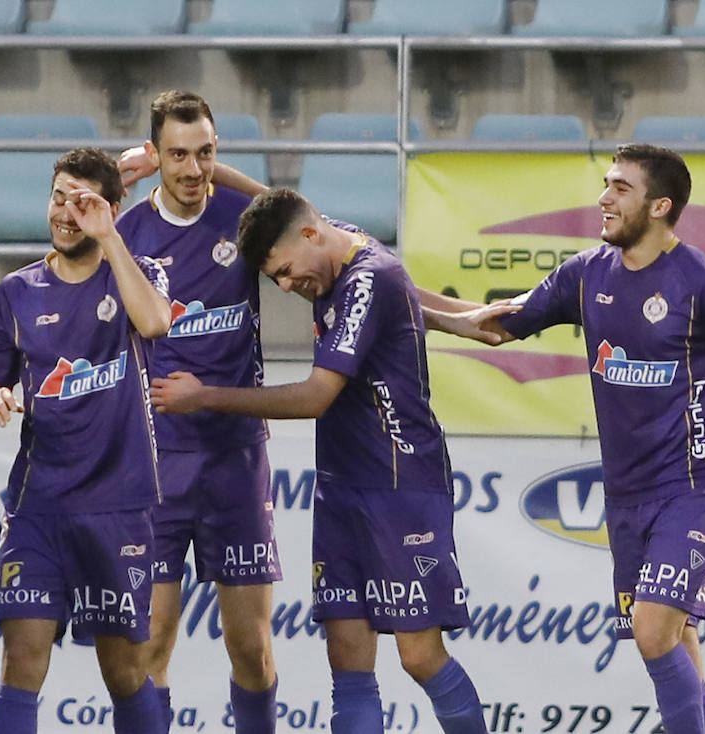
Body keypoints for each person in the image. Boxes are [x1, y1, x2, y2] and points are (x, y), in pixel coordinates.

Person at [428, 143, 705, 734]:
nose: (603, 197)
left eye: (620, 188)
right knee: (674, 639)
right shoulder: (585, 273)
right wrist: (406, 298)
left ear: (659, 206)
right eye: (606, 184)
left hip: (695, 487)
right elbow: (498, 325)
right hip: (625, 496)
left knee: (653, 632)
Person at [149, 188, 493, 734]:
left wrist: (205, 395)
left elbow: (315, 397)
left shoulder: (367, 277)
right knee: (348, 662)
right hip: (340, 487)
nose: (287, 287)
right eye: (276, 280)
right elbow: (274, 200)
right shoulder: (325, 239)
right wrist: (207, 169)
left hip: (401, 484)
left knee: (419, 656)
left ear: (311, 236)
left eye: (286, 272)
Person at [0, 147, 172, 734]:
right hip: (39, 508)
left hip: (118, 506)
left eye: (83, 202)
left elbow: (156, 322)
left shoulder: (138, 274)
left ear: (112, 209)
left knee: (124, 671)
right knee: (20, 663)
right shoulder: (15, 292)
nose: (67, 212)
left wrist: (109, 237)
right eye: (59, 197)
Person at [116, 89, 280, 734]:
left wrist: (223, 176)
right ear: (153, 154)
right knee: (150, 646)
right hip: (156, 468)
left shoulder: (244, 218)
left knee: (251, 648)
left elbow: (308, 224)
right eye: (177, 155)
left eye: (205, 153)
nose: (191, 169)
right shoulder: (125, 236)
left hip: (236, 460)